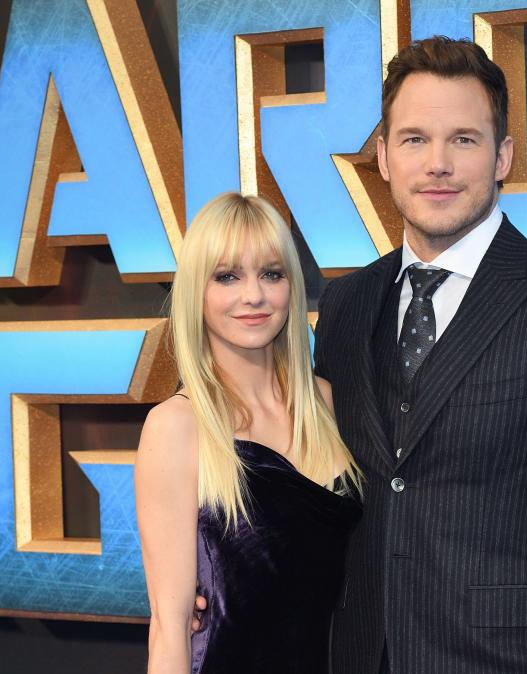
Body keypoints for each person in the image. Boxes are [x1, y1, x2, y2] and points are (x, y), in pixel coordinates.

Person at [311, 37, 527, 673]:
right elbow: (316, 491)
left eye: (464, 140)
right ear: (384, 158)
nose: (437, 164)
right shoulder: (345, 306)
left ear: (503, 157)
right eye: (414, 139)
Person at [135, 192, 363, 674]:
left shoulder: (328, 404)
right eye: (227, 277)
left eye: (271, 274)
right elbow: (170, 627)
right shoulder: (177, 426)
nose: (254, 295)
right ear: (197, 292)